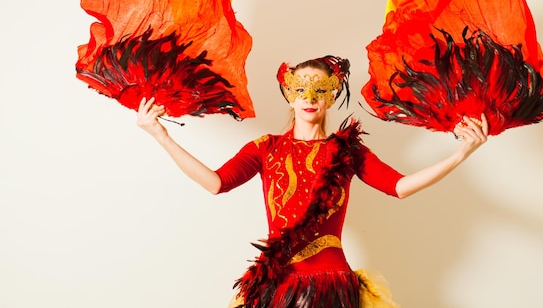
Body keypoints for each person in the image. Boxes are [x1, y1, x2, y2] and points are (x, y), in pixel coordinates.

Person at [136, 55, 488, 308]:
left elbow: (400, 186)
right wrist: (161, 136)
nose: (309, 98)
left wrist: (462, 153)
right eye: (300, 89)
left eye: (319, 90)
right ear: (289, 93)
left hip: (331, 286)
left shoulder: (347, 151)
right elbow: (215, 182)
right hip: (277, 286)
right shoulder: (265, 147)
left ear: (332, 95)